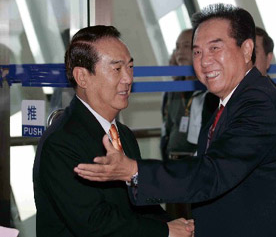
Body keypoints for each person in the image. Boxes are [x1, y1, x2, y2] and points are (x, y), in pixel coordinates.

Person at [74, 4, 276, 237]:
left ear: (247, 49)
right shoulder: (226, 103)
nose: (205, 61)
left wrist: (134, 171)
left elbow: (214, 172)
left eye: (215, 48)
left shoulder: (259, 105)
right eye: (197, 52)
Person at [33, 25, 194, 237]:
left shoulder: (123, 134)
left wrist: (177, 225)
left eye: (130, 67)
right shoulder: (61, 143)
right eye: (117, 69)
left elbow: (138, 204)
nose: (128, 79)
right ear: (82, 77)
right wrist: (165, 231)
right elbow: (94, 223)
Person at [161, 29, 219, 161]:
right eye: (177, 47)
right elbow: (168, 127)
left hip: (197, 160)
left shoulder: (210, 88)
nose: (180, 51)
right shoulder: (173, 89)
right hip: (173, 159)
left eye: (186, 46)